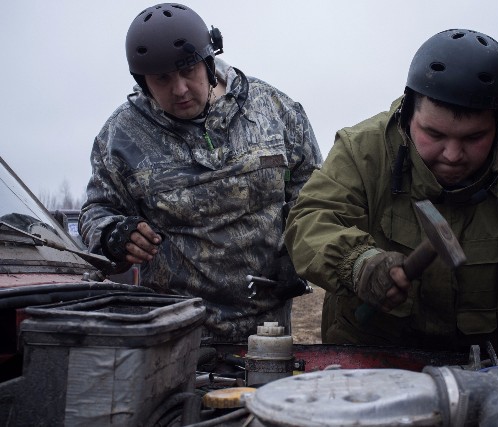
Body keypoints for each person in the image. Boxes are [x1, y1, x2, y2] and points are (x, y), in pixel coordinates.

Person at [284, 29, 498, 380]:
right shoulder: (363, 151)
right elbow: (311, 219)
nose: (452, 155)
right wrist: (360, 265)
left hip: (479, 364)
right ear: (408, 114)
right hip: (368, 357)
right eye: (433, 134)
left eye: (473, 138)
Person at [80, 3, 322, 343]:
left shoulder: (274, 110)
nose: (179, 89)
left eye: (188, 70)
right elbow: (96, 210)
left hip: (268, 328)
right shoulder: (120, 137)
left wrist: (296, 256)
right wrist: (111, 234)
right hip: (174, 330)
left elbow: (314, 193)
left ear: (208, 62)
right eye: (162, 78)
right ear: (143, 83)